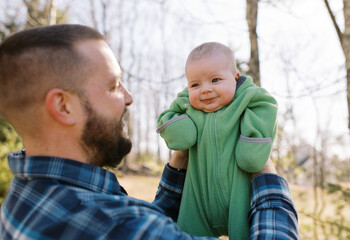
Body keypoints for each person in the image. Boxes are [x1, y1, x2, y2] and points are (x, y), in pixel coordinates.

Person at [0, 24, 299, 239]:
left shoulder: (24, 198)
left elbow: (149, 223)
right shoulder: (111, 225)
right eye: (114, 86)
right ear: (64, 106)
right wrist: (266, 175)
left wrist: (178, 164)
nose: (129, 98)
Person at [157, 42, 278, 239]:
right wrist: (181, 129)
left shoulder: (247, 97)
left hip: (239, 200)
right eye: (195, 84)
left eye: (215, 80)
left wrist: (254, 145)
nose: (205, 89)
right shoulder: (188, 104)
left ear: (235, 77)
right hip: (197, 201)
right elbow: (168, 118)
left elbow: (267, 105)